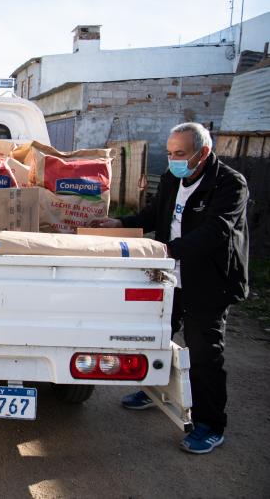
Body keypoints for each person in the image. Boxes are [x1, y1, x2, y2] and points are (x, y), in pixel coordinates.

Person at [93, 122, 249, 454]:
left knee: (204, 350)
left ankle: (210, 424)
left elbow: (215, 232)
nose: (173, 159)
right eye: (169, 153)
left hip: (209, 280)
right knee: (155, 333)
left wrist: (164, 251)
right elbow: (154, 214)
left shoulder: (230, 184)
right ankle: (153, 389)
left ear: (203, 154)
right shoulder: (171, 177)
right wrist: (121, 223)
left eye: (180, 154)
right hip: (170, 273)